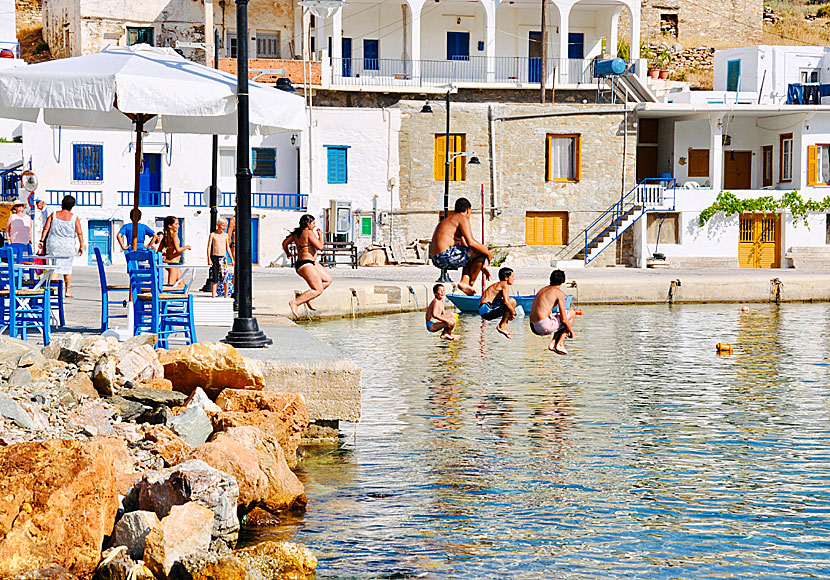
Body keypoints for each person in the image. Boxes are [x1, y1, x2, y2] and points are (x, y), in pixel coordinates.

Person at [429, 197, 493, 296]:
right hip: (445, 256)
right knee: (481, 250)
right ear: (468, 210)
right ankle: (468, 284)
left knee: (474, 253)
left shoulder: (449, 220)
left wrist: (480, 266)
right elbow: (471, 243)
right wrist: (487, 253)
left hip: (436, 258)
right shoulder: (462, 218)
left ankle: (464, 283)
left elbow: (466, 247)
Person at [282, 214, 332, 318]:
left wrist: (287, 253)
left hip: (309, 263)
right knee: (318, 289)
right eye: (313, 223)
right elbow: (320, 247)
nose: (314, 225)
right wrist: (320, 235)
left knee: (327, 280)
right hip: (306, 264)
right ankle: (295, 303)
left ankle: (309, 298)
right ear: (308, 224)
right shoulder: (309, 232)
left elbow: (284, 243)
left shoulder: (296, 233)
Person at [38, 195, 83, 298]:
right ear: (72, 206)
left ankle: (52, 289)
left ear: (62, 203)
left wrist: (41, 240)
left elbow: (46, 228)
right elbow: (79, 233)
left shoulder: (53, 215)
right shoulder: (74, 218)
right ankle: (67, 290)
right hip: (67, 245)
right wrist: (81, 245)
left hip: (53, 244)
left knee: (54, 266)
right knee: (67, 267)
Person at [529, 270, 575, 355]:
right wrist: (571, 331)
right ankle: (560, 343)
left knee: (559, 317)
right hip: (543, 326)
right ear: (563, 281)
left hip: (533, 326)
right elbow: (564, 319)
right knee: (571, 313)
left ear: (550, 279)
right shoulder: (559, 293)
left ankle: (553, 343)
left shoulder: (542, 290)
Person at [479, 267, 517, 339]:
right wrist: (513, 313)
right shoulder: (504, 284)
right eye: (512, 276)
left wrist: (509, 313)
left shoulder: (498, 285)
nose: (514, 278)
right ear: (506, 278)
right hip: (487, 309)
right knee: (512, 301)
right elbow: (506, 302)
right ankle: (502, 326)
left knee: (510, 305)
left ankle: (503, 327)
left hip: (484, 310)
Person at [157, 216, 191, 287]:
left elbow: (159, 250)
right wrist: (186, 247)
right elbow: (178, 249)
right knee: (171, 285)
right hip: (173, 263)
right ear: (170, 226)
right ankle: (167, 296)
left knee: (182, 284)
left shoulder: (166, 236)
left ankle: (181, 296)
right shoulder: (174, 235)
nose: (178, 226)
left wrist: (165, 254)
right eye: (176, 224)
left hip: (168, 262)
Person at [207, 218, 233, 298]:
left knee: (225, 277)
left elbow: (227, 247)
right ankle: (213, 295)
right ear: (218, 225)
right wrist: (209, 259)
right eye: (223, 225)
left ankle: (226, 295)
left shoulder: (225, 235)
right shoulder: (213, 235)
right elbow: (209, 247)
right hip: (215, 257)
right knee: (214, 277)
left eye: (225, 226)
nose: (224, 227)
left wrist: (232, 259)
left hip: (223, 258)